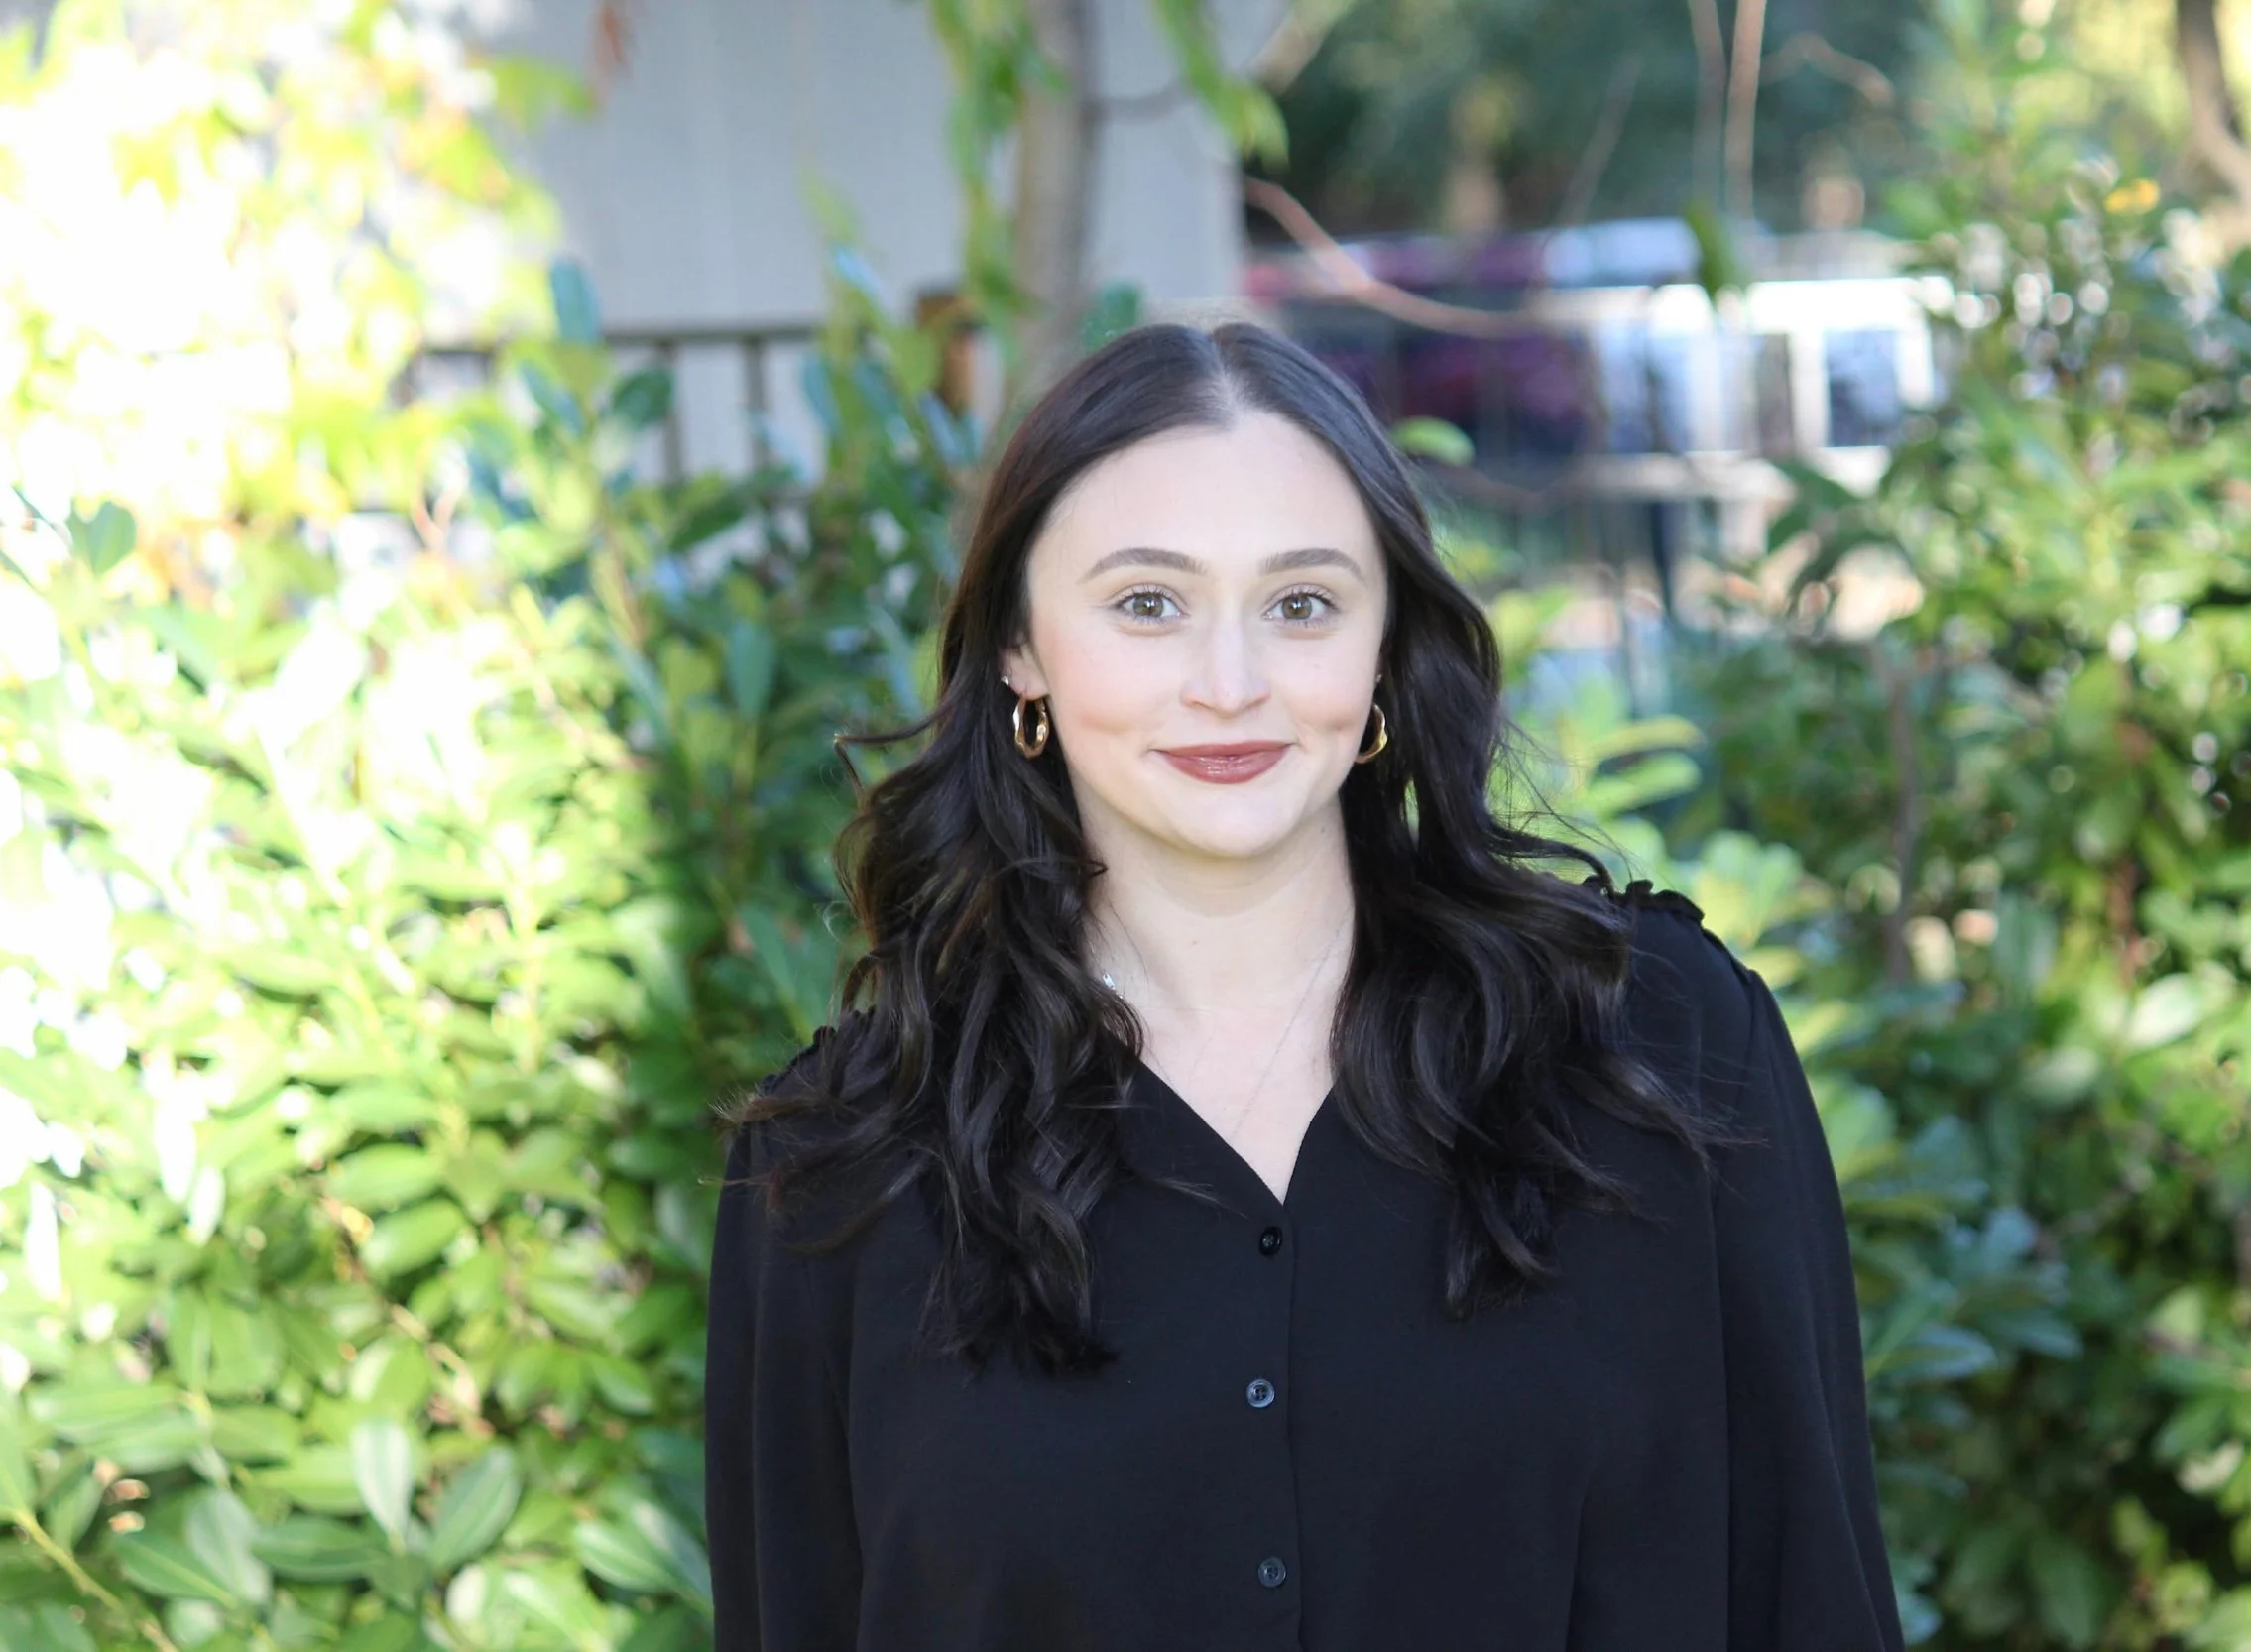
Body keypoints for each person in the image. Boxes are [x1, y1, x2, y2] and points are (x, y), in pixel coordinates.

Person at [702, 320, 1903, 1651]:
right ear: (1018, 651)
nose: (1232, 684)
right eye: (1147, 603)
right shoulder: (838, 1173)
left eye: (1302, 603)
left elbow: (1813, 1599)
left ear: (1385, 643)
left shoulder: (1665, 1053)